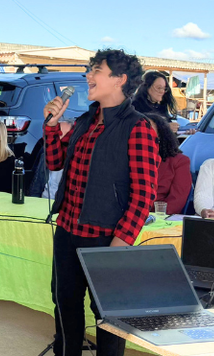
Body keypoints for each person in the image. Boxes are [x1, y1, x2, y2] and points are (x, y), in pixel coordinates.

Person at [43, 49, 159, 356]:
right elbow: (55, 162)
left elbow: (144, 194)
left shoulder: (138, 127)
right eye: (90, 69)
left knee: (107, 314)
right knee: (65, 303)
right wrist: (51, 127)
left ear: (120, 80)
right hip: (67, 229)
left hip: (106, 237)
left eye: (97, 70)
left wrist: (120, 243)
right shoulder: (86, 120)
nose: (88, 75)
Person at [144, 113, 192, 215]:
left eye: (148, 131)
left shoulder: (179, 161)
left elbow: (177, 201)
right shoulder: (126, 159)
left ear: (161, 136)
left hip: (159, 217)